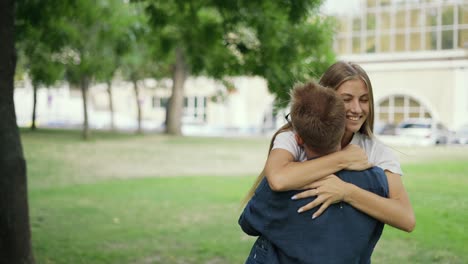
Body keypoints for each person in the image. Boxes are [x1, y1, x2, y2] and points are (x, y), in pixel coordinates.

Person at [242, 61, 415, 231]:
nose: (356, 109)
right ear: (327, 99)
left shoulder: (376, 152)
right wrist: (342, 159)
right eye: (346, 99)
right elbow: (278, 179)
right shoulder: (294, 138)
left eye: (364, 100)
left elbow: (406, 218)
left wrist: (347, 192)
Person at [239, 81, 390, 263]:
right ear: (342, 128)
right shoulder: (377, 181)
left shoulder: (283, 185)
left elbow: (248, 224)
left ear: (298, 139)